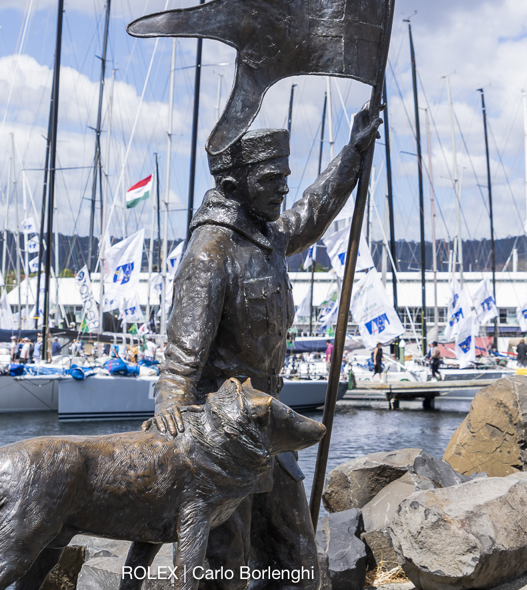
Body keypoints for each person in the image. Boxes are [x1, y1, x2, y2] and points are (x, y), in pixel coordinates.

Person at [146, 108, 381, 589]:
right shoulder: (211, 252)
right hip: (224, 436)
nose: (283, 189)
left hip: (266, 428)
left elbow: (311, 212)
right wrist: (171, 410)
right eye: (272, 179)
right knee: (226, 565)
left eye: (285, 178)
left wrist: (353, 155)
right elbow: (181, 356)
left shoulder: (267, 236)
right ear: (234, 185)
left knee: (295, 555)